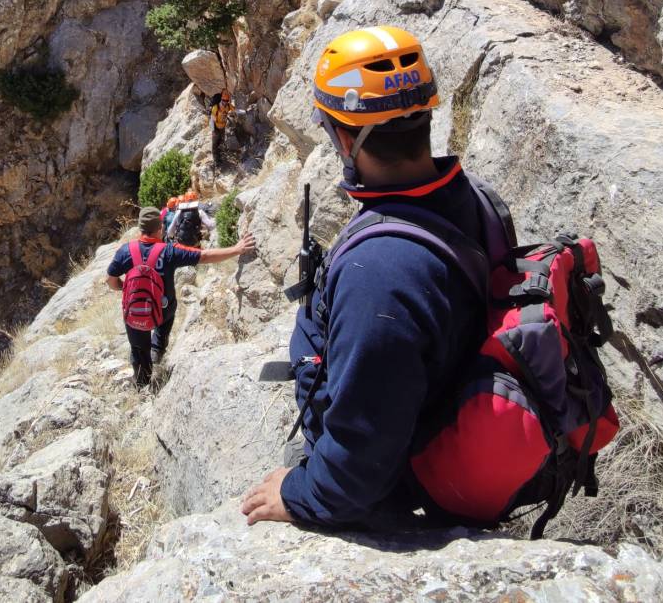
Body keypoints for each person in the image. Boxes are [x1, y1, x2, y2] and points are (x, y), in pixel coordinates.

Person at [241, 26, 513, 529]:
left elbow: (360, 461)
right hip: (438, 406)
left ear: (345, 137)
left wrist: (300, 492)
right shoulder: (470, 196)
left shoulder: (382, 273)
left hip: (397, 481)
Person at [107, 206, 257, 385]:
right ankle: (157, 349)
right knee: (168, 312)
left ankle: (142, 380)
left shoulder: (125, 251)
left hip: (135, 313)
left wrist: (124, 288)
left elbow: (110, 280)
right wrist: (237, 249)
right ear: (160, 228)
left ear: (140, 228)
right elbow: (205, 255)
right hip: (162, 311)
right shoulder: (170, 251)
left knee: (138, 349)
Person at [209, 89, 233, 163]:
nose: (225, 102)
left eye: (226, 101)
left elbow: (235, 110)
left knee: (221, 141)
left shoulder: (228, 106)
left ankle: (221, 156)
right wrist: (214, 130)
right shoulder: (216, 107)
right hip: (216, 127)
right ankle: (216, 160)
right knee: (215, 143)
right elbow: (212, 119)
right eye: (224, 101)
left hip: (222, 127)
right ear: (221, 99)